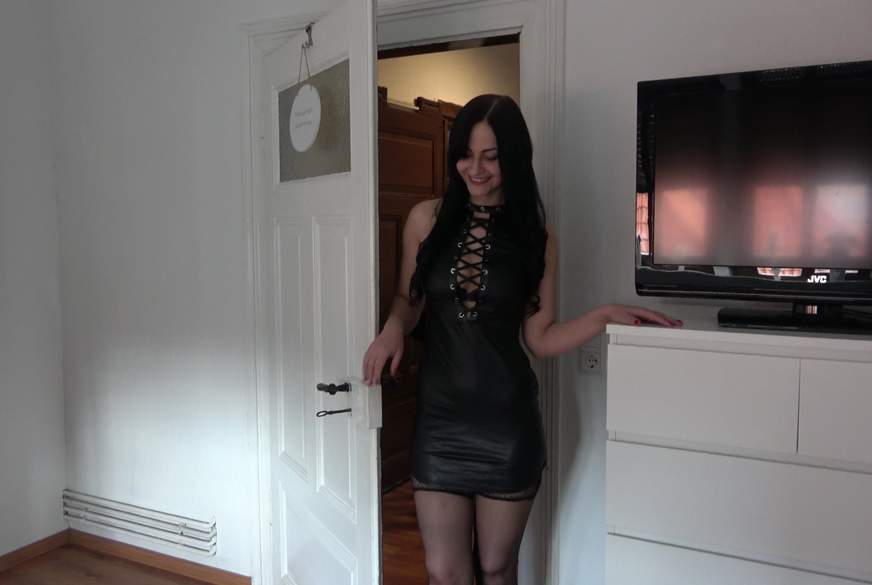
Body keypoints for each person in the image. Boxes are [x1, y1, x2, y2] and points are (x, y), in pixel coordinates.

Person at [362, 94, 680, 585]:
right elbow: (410, 299)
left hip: (506, 426)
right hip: (439, 421)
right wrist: (391, 327)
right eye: (466, 155)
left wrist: (603, 316)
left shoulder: (537, 237)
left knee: (496, 568)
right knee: (443, 571)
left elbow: (540, 337)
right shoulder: (426, 219)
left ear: (513, 158)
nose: (475, 169)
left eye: (490, 157)